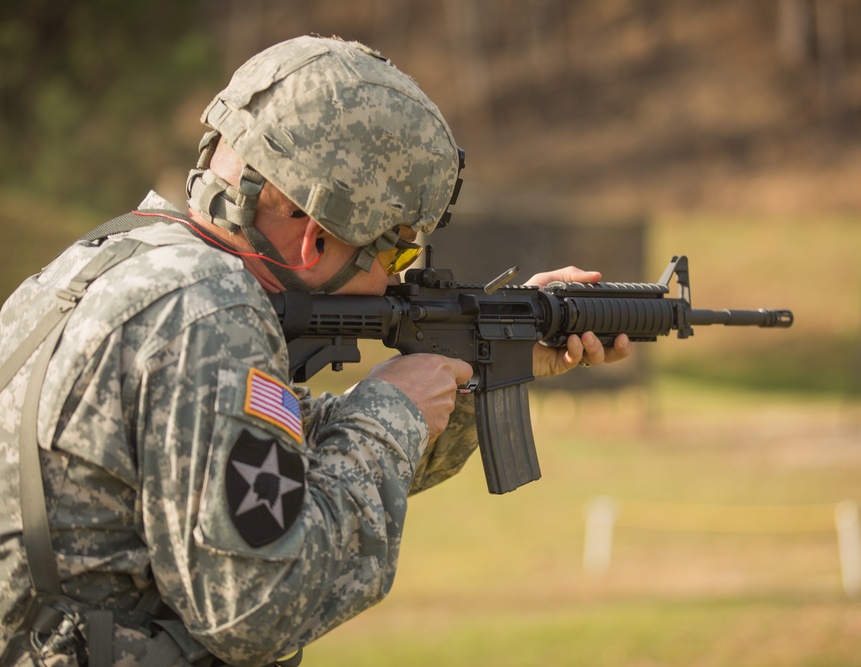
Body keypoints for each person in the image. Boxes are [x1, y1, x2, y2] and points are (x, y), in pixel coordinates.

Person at [0, 36, 631, 667]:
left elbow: (250, 460)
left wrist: (484, 363)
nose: (396, 281)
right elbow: (260, 608)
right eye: (398, 253)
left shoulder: (111, 264)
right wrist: (390, 418)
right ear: (315, 238)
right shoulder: (212, 309)